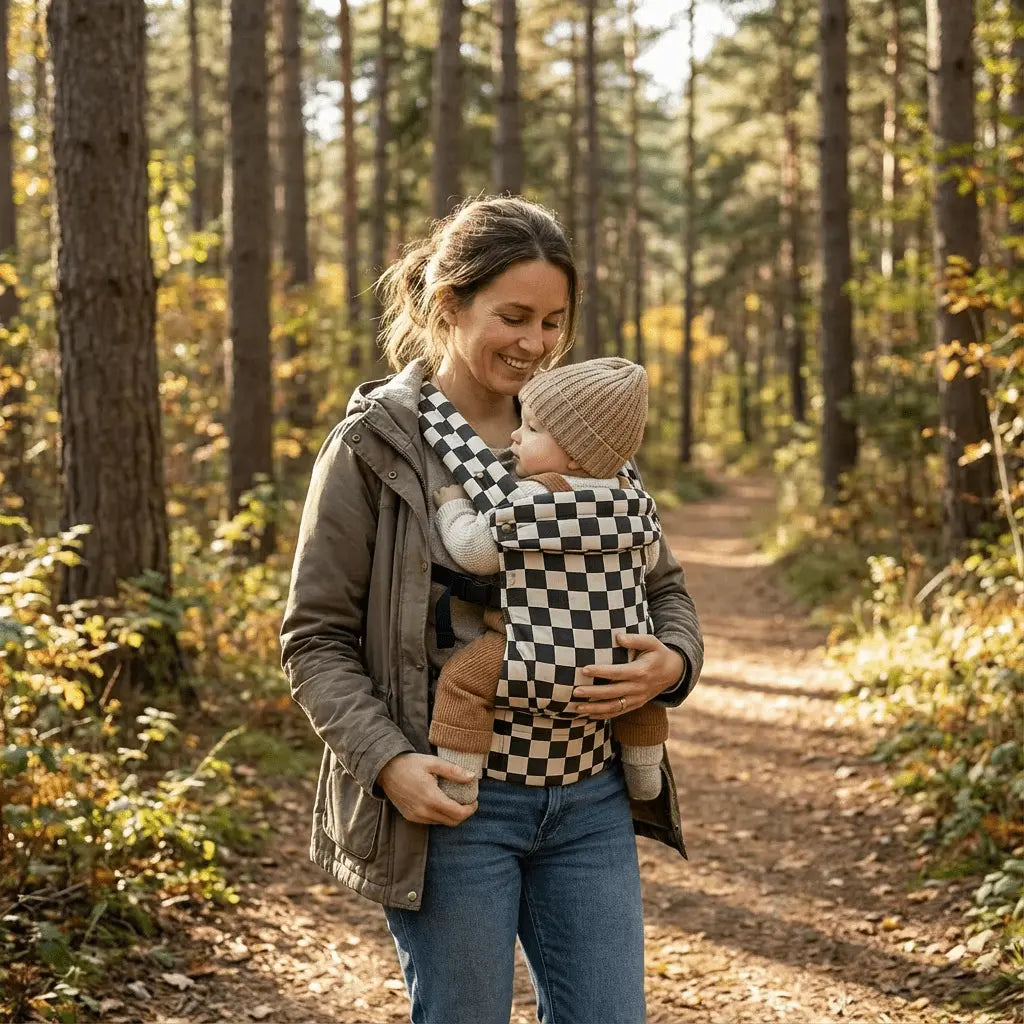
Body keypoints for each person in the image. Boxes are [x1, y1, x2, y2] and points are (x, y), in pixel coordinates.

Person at [280, 195, 704, 1024]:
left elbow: (664, 586)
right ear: (449, 304)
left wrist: (674, 661)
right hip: (454, 805)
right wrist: (389, 764)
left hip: (590, 797)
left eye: (553, 322)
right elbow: (315, 638)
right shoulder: (376, 445)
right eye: (513, 317)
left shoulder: (582, 428)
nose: (535, 344)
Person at [429, 357, 668, 805]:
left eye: (533, 428)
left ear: (575, 453)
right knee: (640, 696)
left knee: (463, 682)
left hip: (534, 651)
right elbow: (649, 560)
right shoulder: (633, 498)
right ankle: (644, 770)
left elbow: (476, 552)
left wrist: (453, 507)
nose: (516, 435)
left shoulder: (532, 497)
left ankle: (458, 781)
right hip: (617, 652)